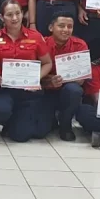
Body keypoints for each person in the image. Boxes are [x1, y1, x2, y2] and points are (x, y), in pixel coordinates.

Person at [0, 0, 52, 142]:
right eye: (9, 14)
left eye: (18, 13)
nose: (14, 18)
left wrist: (36, 78)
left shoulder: (35, 37)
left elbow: (47, 63)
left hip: (28, 93)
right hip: (5, 90)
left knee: (21, 136)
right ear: (1, 17)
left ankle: (20, 122)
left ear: (22, 14)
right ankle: (10, 120)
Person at [41, 12, 87, 141]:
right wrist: (49, 81)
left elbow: (81, 80)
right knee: (41, 130)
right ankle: (51, 120)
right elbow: (34, 75)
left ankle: (66, 124)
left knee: (75, 90)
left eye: (69, 26)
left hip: (67, 90)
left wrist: (72, 79)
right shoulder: (41, 43)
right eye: (61, 26)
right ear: (51, 28)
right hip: (46, 90)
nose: (66, 30)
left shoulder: (80, 45)